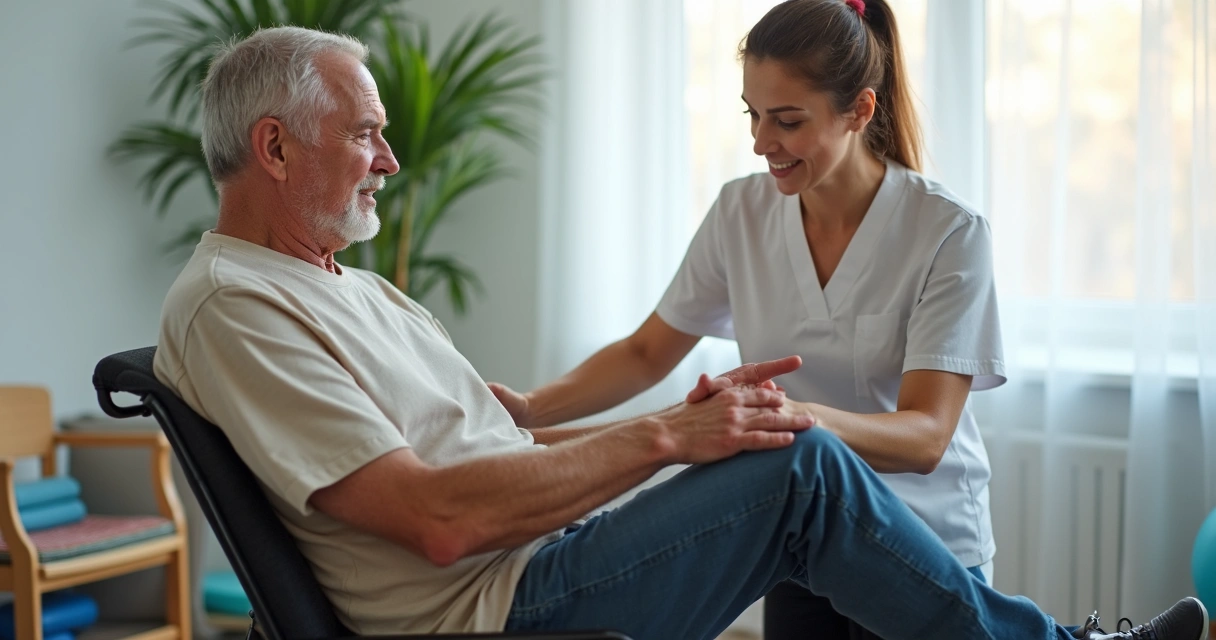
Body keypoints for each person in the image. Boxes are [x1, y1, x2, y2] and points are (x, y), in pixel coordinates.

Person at [152, 22, 1209, 640]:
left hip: (536, 560)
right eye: (367, 135)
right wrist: (665, 435)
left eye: (383, 137)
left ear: (859, 112)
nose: (389, 161)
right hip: (499, 601)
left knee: (787, 455)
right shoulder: (238, 304)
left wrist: (683, 427)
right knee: (798, 465)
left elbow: (496, 453)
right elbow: (438, 520)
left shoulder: (350, 287)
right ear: (276, 149)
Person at [486, 0, 993, 637]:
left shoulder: (946, 232)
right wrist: (531, 409)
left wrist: (793, 419)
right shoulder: (740, 212)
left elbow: (925, 437)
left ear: (859, 110)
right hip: (800, 543)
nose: (760, 143)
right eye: (752, 115)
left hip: (926, 543)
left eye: (786, 121)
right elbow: (647, 353)